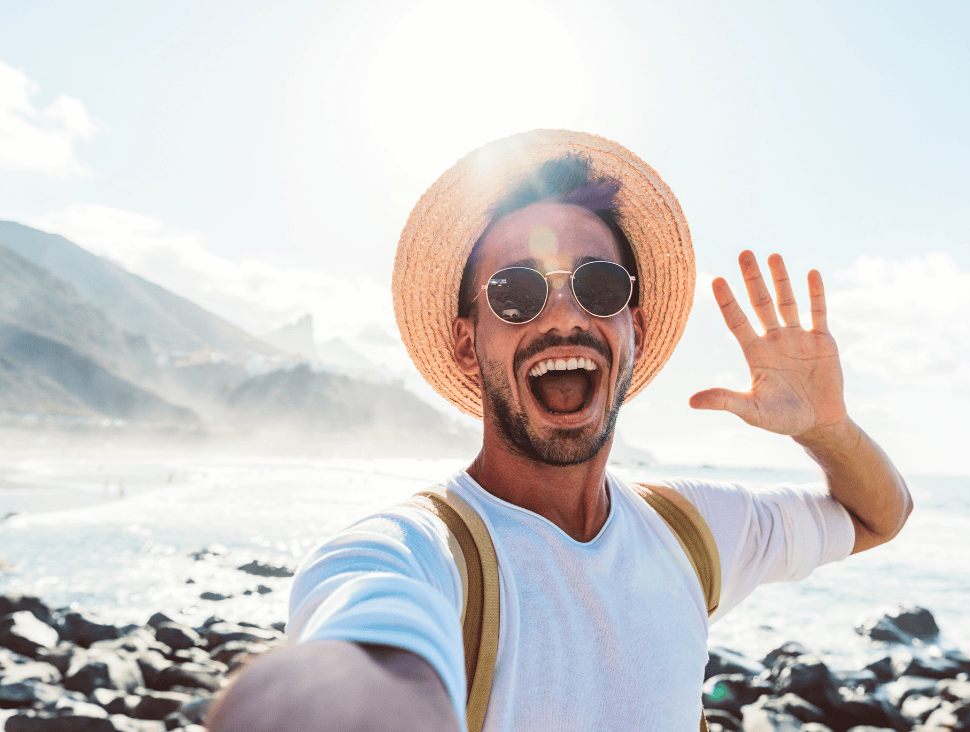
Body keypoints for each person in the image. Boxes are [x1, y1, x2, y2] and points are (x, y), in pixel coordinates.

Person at [206, 130, 912, 732]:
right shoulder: (413, 553)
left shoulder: (693, 530)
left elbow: (878, 516)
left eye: (599, 287)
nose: (563, 316)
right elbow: (353, 660)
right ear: (465, 343)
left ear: (633, 327)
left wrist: (829, 429)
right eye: (516, 292)